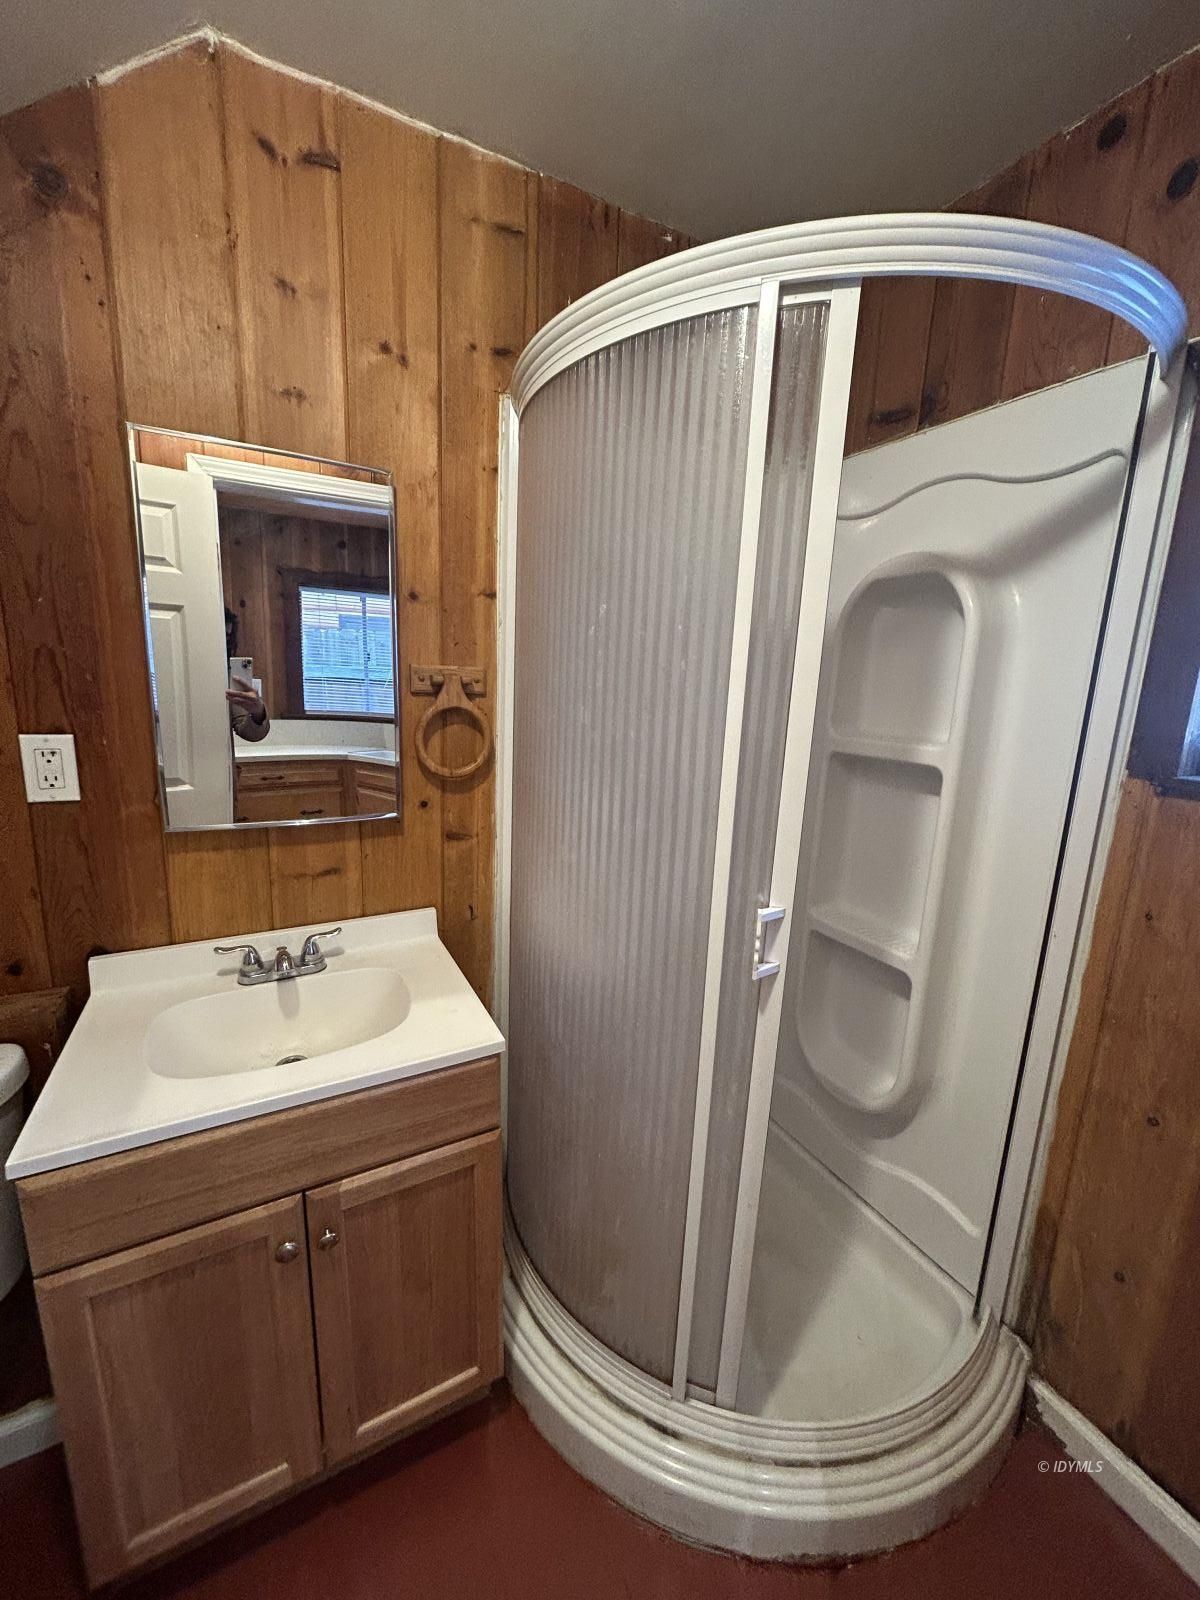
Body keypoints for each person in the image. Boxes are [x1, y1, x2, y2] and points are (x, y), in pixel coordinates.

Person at [224, 607, 270, 743]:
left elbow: (251, 734)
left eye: (227, 637)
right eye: (221, 635)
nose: (225, 642)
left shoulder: (228, 674)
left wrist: (258, 713)